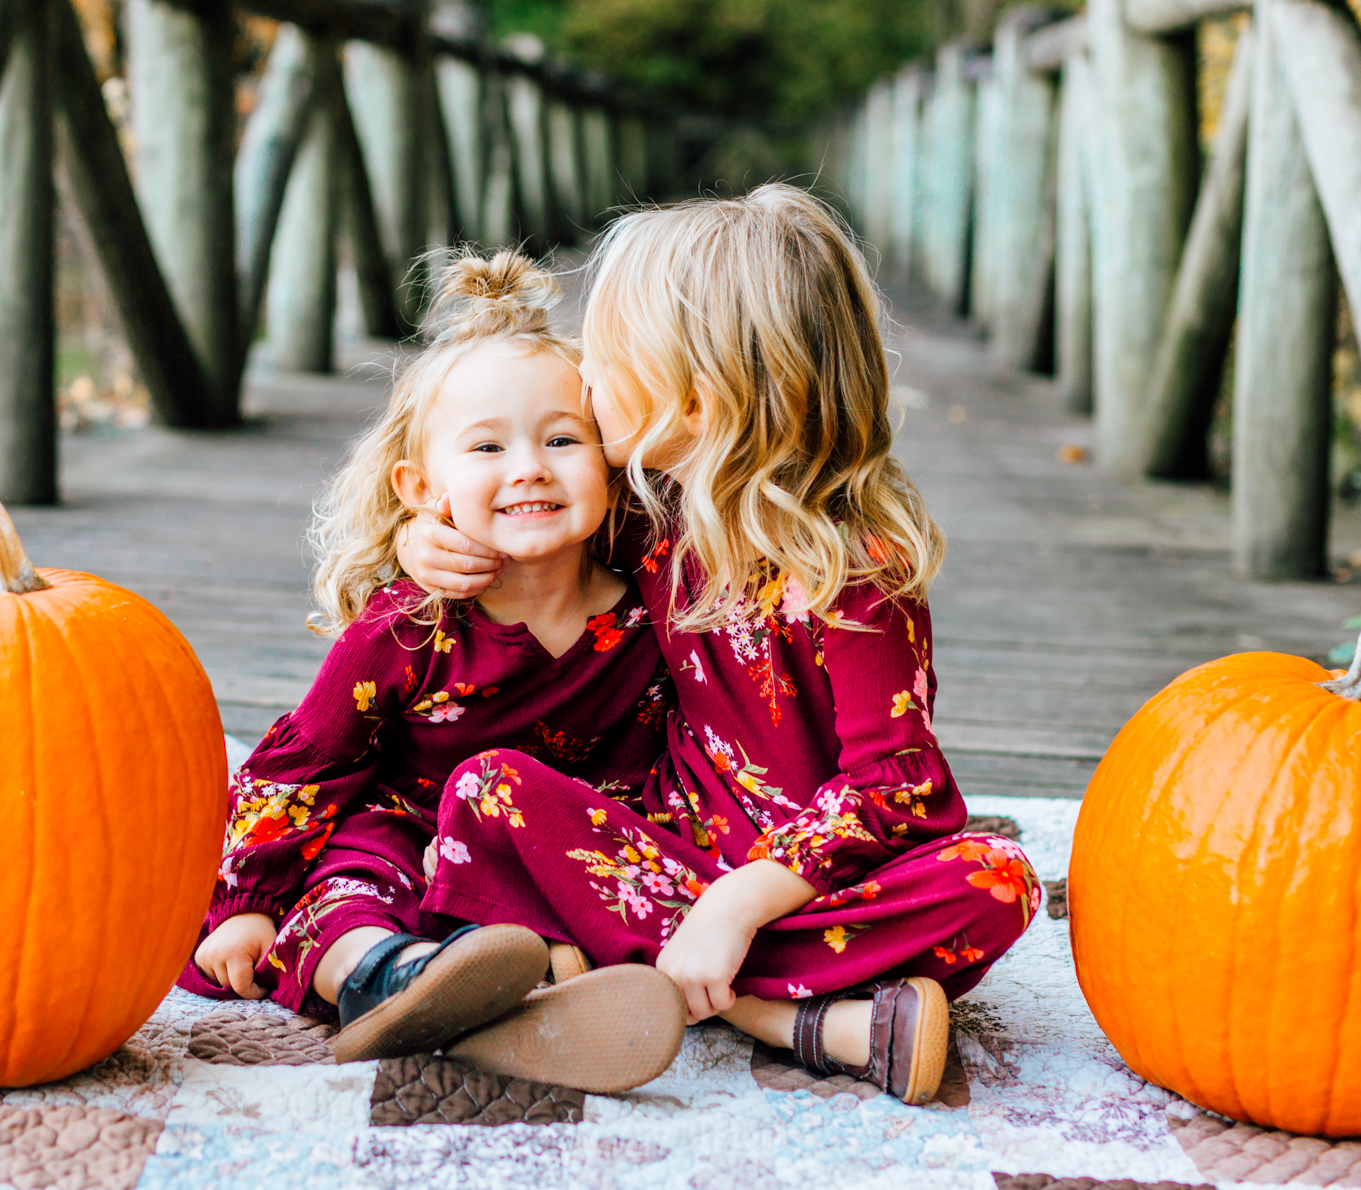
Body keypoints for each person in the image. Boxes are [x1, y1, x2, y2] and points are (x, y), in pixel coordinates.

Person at [397, 185, 1039, 1106]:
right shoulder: (654, 517)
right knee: (488, 789)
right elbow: (528, 526)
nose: (584, 379)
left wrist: (737, 906)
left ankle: (627, 972)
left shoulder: (853, 568)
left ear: (694, 394)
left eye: (607, 358)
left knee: (997, 879)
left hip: (817, 882)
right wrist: (434, 539)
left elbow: (897, 788)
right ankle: (794, 1018)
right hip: (676, 838)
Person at [179, 251, 685, 1094]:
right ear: (422, 487)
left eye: (562, 439)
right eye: (487, 446)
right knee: (338, 895)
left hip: (559, 852)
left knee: (607, 910)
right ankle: (399, 979)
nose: (529, 465)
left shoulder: (654, 604)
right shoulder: (410, 625)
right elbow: (304, 765)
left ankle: (510, 995)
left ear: (610, 462)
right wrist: (247, 902)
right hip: (402, 829)